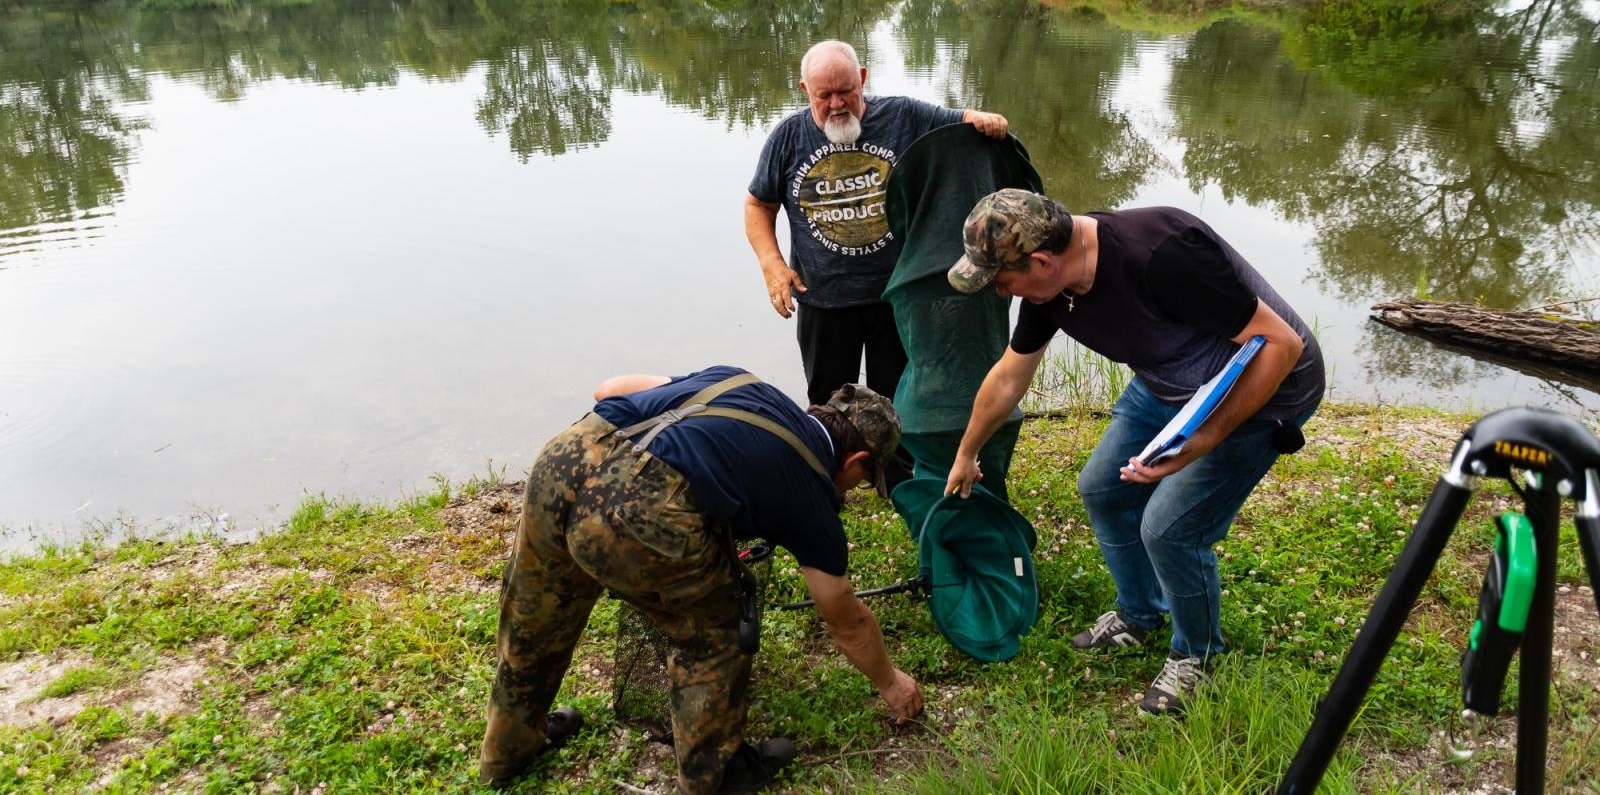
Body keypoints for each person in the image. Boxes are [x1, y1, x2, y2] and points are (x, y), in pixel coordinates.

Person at [942, 190, 1325, 715]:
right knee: (1101, 488)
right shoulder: (1049, 290)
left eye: (1003, 282)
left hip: (1265, 388)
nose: (1000, 293)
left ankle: (1198, 657)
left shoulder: (1160, 256)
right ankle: (1140, 612)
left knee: (1171, 529)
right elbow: (1010, 375)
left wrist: (1205, 439)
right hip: (1168, 381)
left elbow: (1282, 345)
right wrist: (967, 453)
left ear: (1041, 260)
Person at [479, 365, 924, 793]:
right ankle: (715, 775)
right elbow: (844, 618)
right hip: (637, 509)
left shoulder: (741, 381)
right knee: (719, 632)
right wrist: (890, 682)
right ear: (858, 460)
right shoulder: (813, 493)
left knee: (533, 613)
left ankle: (508, 750)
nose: (853, 489)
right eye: (865, 480)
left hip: (566, 456)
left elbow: (608, 389)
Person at [745, 39, 1009, 410]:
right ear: (805, 90)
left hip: (897, 297)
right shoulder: (788, 138)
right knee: (829, 405)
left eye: (845, 91)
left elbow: (959, 123)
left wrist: (983, 121)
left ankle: (898, 470)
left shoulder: (903, 116)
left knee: (900, 399)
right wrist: (772, 266)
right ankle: (835, 467)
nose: (836, 104)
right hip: (824, 300)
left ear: (863, 79)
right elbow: (759, 204)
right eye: (824, 95)